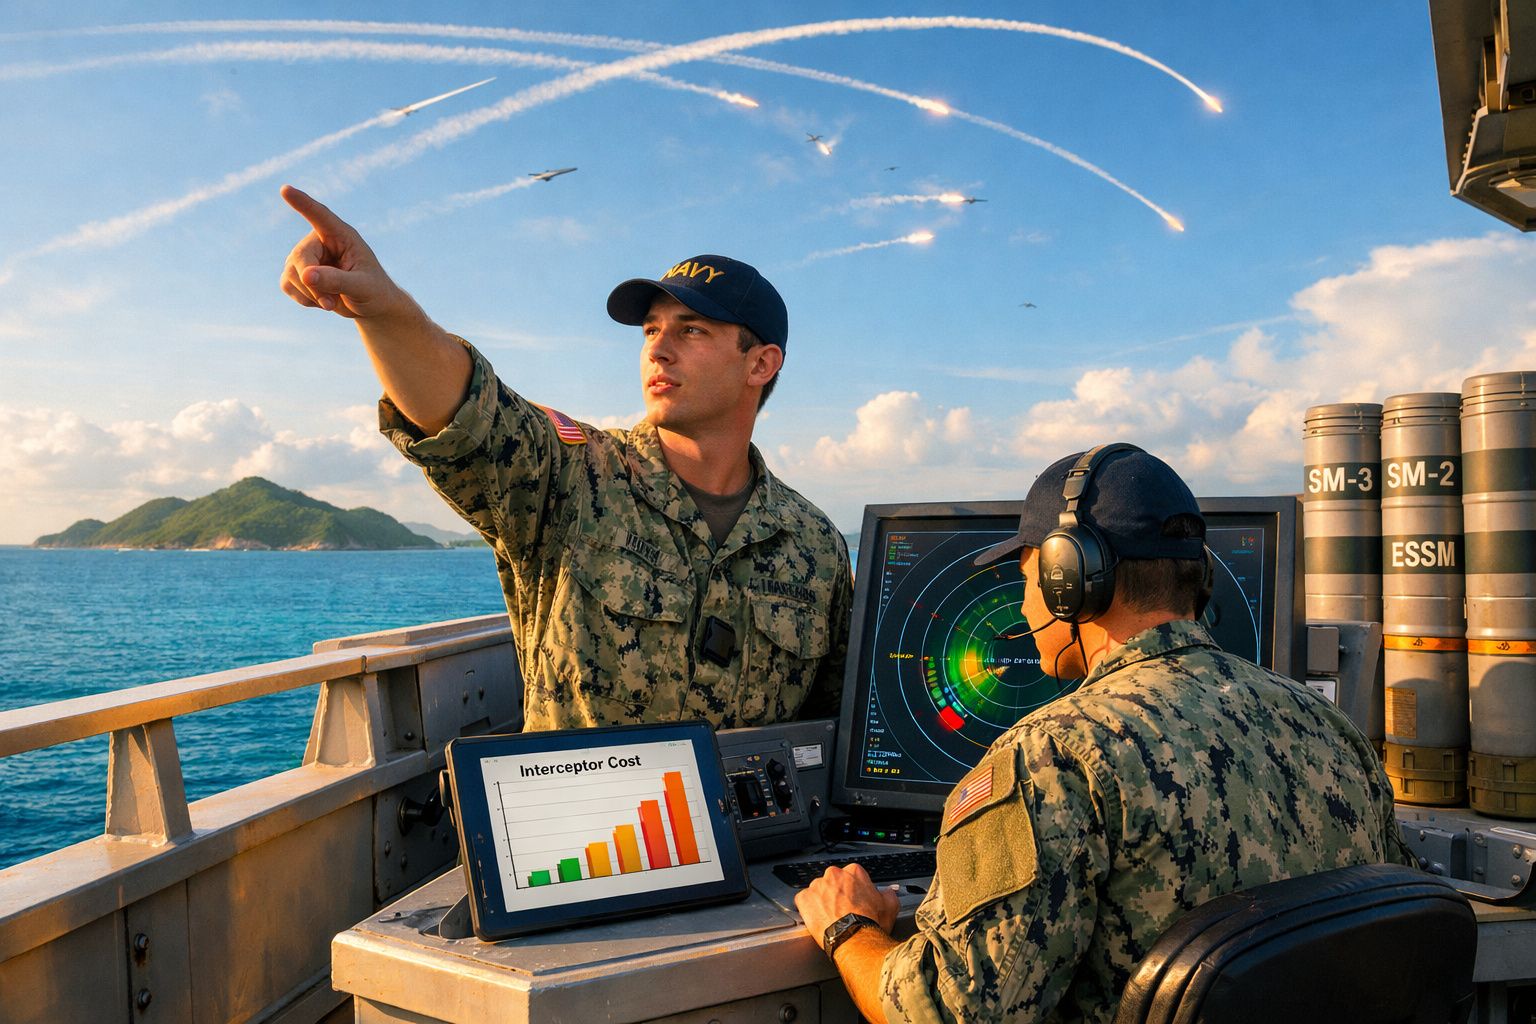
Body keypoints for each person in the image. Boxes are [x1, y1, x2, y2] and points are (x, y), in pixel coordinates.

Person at [795, 444, 1415, 1023]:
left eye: (1027, 577)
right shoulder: (1332, 729)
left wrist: (850, 928)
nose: (1027, 606)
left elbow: (949, 1011)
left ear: (1072, 579)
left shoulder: (1054, 756)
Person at [277, 185, 851, 732]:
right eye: (651, 329)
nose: (658, 347)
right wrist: (381, 309)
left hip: (752, 838)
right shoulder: (576, 474)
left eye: (692, 330)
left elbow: (833, 722)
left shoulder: (814, 544)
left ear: (760, 364)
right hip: (579, 832)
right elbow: (468, 416)